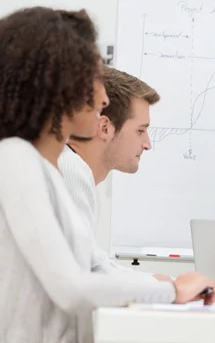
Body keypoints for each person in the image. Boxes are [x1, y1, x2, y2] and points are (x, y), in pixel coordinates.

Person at [0, 7, 215, 343]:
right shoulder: (14, 159)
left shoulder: (46, 170)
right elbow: (73, 289)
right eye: (94, 78)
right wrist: (171, 290)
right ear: (57, 85)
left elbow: (94, 267)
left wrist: (169, 286)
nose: (104, 96)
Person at [58, 66, 166, 280]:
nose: (147, 144)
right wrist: (165, 288)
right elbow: (84, 276)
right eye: (140, 131)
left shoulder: (74, 170)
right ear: (105, 127)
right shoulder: (68, 169)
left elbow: (95, 262)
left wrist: (162, 283)